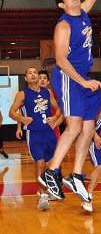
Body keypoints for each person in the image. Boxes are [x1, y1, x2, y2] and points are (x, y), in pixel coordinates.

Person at [39, 0, 101, 202]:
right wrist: (83, 81)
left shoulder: (83, 12)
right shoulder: (63, 25)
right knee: (74, 125)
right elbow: (61, 60)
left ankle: (74, 175)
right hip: (68, 77)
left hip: (84, 77)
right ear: (62, 4)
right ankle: (51, 172)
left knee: (87, 126)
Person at [9, 67, 62, 211]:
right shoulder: (22, 94)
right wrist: (22, 119)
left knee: (50, 164)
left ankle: (47, 188)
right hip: (34, 133)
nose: (33, 74)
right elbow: (11, 112)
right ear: (26, 78)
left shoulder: (47, 92)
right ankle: (43, 195)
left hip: (49, 132)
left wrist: (55, 117)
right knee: (40, 162)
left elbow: (58, 108)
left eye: (35, 73)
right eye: (29, 73)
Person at [16, 70, 63, 140]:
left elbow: (63, 112)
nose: (42, 80)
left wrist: (56, 122)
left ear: (48, 82)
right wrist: (19, 128)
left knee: (57, 150)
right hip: (36, 130)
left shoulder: (53, 94)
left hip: (52, 127)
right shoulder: (26, 93)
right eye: (40, 78)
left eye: (45, 78)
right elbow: (20, 112)